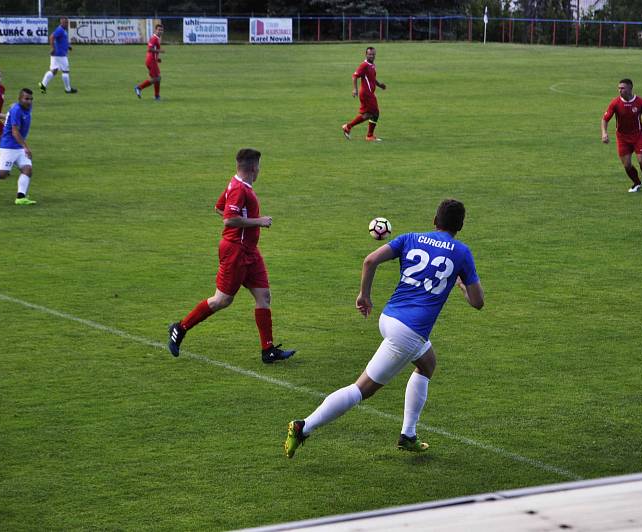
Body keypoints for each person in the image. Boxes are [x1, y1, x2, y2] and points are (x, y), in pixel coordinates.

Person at [284, 199, 484, 458]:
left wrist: (364, 296)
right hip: (409, 331)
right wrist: (461, 287)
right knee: (361, 390)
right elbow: (478, 302)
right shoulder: (461, 252)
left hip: (389, 318)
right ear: (461, 226)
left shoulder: (411, 237)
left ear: (434, 221)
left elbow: (370, 261)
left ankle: (408, 435)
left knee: (427, 364)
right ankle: (303, 426)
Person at [168, 148, 296, 364]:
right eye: (259, 167)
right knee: (222, 300)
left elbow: (219, 208)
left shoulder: (237, 184)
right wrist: (258, 221)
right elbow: (228, 219)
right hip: (235, 251)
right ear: (254, 168)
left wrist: (243, 223)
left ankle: (268, 350)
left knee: (263, 296)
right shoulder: (239, 189)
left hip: (249, 251)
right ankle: (180, 328)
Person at [601, 78, 642, 193]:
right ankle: (637, 183)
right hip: (622, 137)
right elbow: (605, 119)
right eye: (619, 88)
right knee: (627, 165)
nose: (620, 90)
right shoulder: (615, 103)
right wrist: (604, 133)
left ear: (630, 88)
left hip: (638, 135)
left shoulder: (640, 102)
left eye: (622, 88)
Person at [342, 46, 386, 142]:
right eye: (369, 54)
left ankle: (350, 128)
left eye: (373, 54)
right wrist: (355, 89)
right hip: (366, 94)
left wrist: (380, 85)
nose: (371, 56)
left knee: (370, 114)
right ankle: (362, 133)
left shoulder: (372, 65)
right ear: (366, 54)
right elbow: (355, 76)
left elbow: (372, 79)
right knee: (373, 113)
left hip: (370, 93)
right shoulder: (364, 65)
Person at [38, 17, 78, 95]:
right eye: (65, 22)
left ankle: (42, 86)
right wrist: (53, 48)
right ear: (61, 22)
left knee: (54, 71)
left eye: (67, 22)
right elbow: (51, 37)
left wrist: (68, 46)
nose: (66, 24)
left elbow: (61, 41)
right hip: (60, 54)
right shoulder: (60, 30)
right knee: (65, 71)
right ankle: (68, 89)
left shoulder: (63, 30)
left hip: (57, 54)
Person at [135, 24, 164, 101]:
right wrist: (159, 51)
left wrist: (157, 59)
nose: (160, 31)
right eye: (159, 30)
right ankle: (139, 87)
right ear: (155, 30)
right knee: (156, 78)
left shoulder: (157, 38)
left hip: (153, 60)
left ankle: (157, 96)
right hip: (151, 61)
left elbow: (153, 51)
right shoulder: (154, 38)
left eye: (161, 30)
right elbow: (150, 49)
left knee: (157, 78)